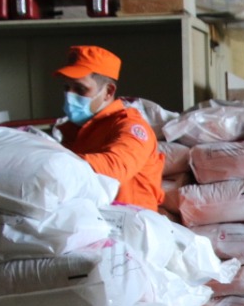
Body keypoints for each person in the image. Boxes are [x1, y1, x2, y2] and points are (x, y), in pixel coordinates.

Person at [54, 45, 165, 211]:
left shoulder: (129, 126)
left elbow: (115, 168)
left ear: (108, 91)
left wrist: (50, 162)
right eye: (66, 88)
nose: (70, 95)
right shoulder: (74, 129)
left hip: (129, 230)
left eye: (80, 89)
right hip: (93, 224)